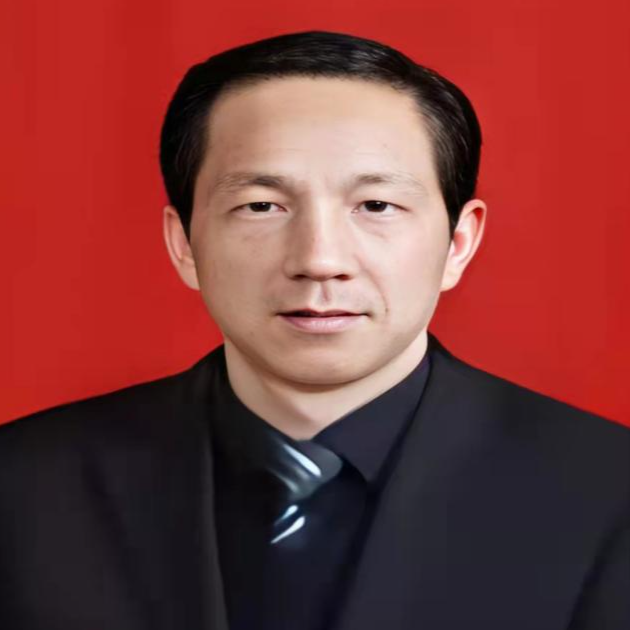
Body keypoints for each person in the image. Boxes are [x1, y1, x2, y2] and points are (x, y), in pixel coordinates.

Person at [1, 30, 628, 630]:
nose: (319, 259)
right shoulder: (24, 487)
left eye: (376, 206)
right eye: (261, 206)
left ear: (458, 243)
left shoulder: (608, 492)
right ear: (184, 242)